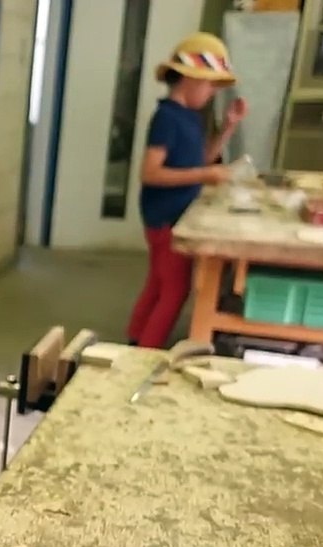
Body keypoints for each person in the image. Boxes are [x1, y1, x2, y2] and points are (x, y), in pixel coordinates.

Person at [127, 31, 247, 349]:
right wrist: (206, 174)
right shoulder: (166, 118)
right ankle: (145, 353)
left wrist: (228, 128)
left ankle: (135, 337)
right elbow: (150, 173)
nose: (211, 93)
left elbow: (201, 159)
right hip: (166, 217)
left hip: (172, 215)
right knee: (175, 290)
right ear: (190, 79)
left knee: (157, 283)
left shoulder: (189, 117)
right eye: (210, 85)